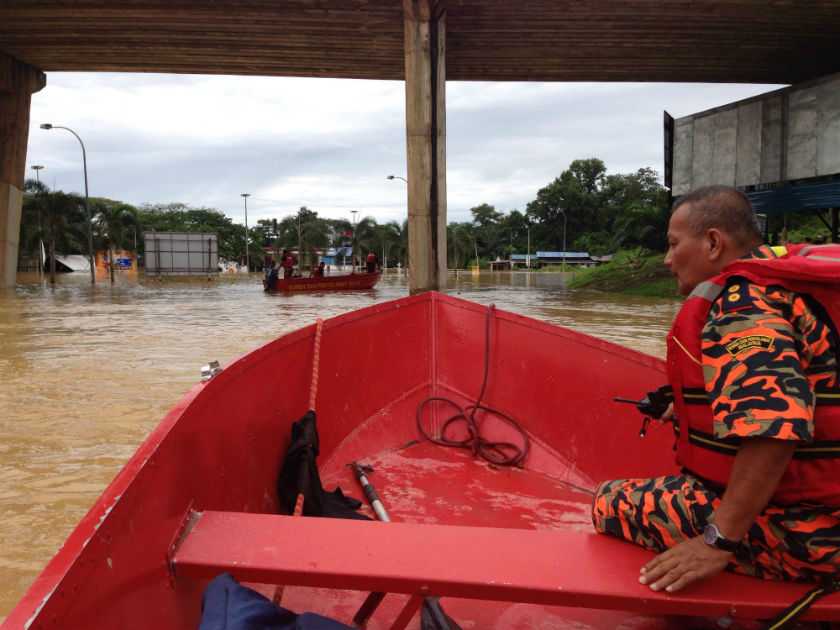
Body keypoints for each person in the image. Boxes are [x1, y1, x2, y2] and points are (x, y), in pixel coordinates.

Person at [592, 185, 840, 594]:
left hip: (813, 533)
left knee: (608, 501)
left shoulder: (744, 305)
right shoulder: (797, 287)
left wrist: (718, 540)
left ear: (712, 243)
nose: (668, 260)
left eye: (673, 245)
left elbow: (775, 427)